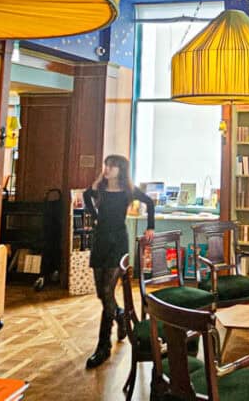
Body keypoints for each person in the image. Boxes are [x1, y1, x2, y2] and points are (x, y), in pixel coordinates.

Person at [83, 154, 155, 369]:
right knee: (101, 293)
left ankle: (103, 346)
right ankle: (121, 315)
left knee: (107, 291)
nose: (107, 169)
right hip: (100, 241)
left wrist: (150, 227)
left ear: (121, 170)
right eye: (106, 165)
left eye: (112, 166)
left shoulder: (128, 191)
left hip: (118, 242)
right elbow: (86, 196)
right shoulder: (99, 188)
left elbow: (150, 202)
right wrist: (95, 217)